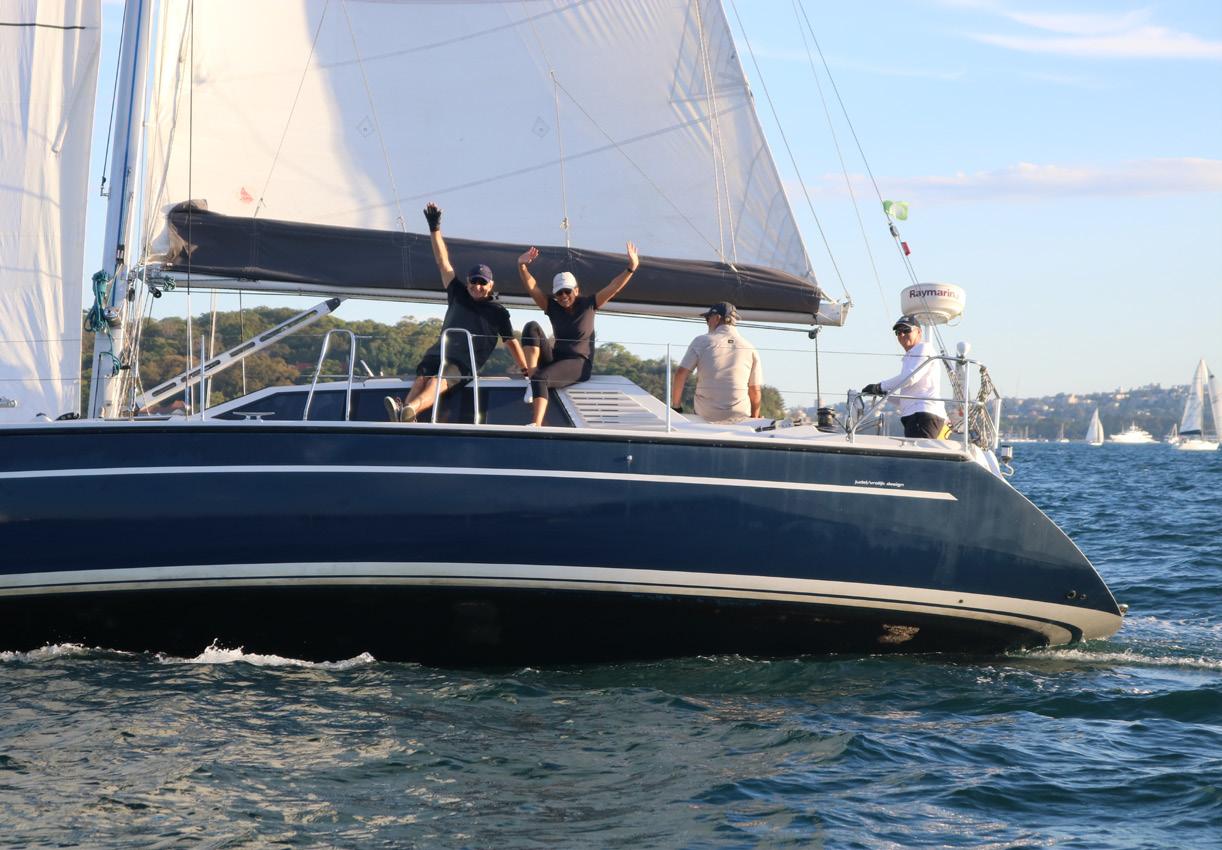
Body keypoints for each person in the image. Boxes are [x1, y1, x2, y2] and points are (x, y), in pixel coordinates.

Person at [384, 203, 529, 422]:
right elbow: (443, 262)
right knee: (422, 379)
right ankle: (404, 416)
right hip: (438, 353)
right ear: (468, 281)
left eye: (483, 282)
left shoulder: (498, 312)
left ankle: (409, 409)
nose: (477, 286)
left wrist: (526, 369)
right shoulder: (458, 293)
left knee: (436, 381)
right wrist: (434, 227)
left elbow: (511, 342)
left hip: (463, 363)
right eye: (474, 281)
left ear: (491, 285)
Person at [515, 242, 640, 426]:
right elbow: (532, 287)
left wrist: (631, 268)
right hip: (557, 359)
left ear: (576, 290)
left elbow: (614, 287)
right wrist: (522, 265)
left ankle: (536, 425)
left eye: (567, 291)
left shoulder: (589, 304)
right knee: (531, 327)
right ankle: (532, 380)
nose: (563, 296)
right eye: (559, 293)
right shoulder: (552, 307)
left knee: (542, 379)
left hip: (579, 363)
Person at [670, 302, 762, 423]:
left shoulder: (701, 341)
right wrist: (754, 419)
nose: (707, 323)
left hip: (706, 414)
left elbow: (680, 374)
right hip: (739, 415)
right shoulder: (750, 348)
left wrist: (676, 408)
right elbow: (754, 389)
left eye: (708, 318)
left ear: (717, 318)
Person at [861, 314, 947, 438]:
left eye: (906, 330)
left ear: (919, 332)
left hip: (922, 414)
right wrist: (884, 394)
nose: (901, 334)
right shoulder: (912, 355)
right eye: (898, 332)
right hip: (917, 415)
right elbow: (906, 397)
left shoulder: (923, 348)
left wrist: (880, 386)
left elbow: (910, 378)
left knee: (918, 450)